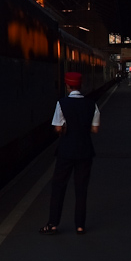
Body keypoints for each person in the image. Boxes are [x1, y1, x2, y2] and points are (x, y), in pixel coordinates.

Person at [40, 72, 100, 235]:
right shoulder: (91, 104)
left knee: (59, 186)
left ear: (67, 86)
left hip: (66, 151)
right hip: (85, 151)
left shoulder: (62, 103)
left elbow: (58, 128)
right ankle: (80, 225)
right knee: (81, 188)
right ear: (80, 86)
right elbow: (94, 129)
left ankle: (53, 223)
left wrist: (65, 128)